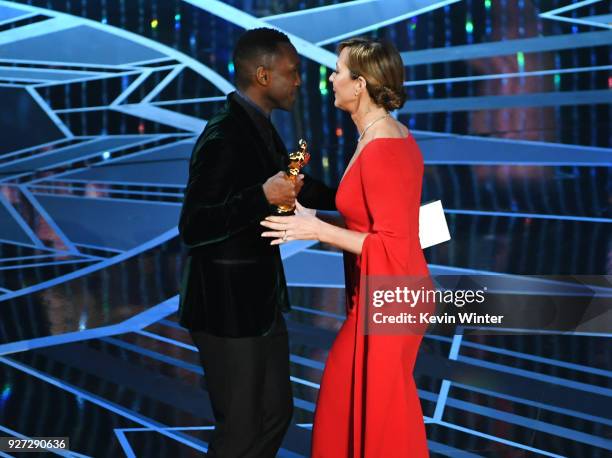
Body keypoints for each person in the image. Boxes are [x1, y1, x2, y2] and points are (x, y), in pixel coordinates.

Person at [261, 37, 431, 457]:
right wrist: (311, 215)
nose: (331, 79)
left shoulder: (384, 147)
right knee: (360, 417)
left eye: (338, 71)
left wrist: (316, 230)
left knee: (368, 420)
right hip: (380, 298)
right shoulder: (375, 137)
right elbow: (372, 223)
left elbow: (393, 244)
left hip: (391, 301)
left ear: (361, 84)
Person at [178, 28, 336, 458]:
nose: (300, 81)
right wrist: (260, 197)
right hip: (225, 309)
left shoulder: (260, 128)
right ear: (263, 76)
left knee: (275, 415)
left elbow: (296, 186)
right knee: (241, 429)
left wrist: (356, 198)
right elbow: (194, 225)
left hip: (259, 306)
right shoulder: (224, 136)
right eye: (293, 72)